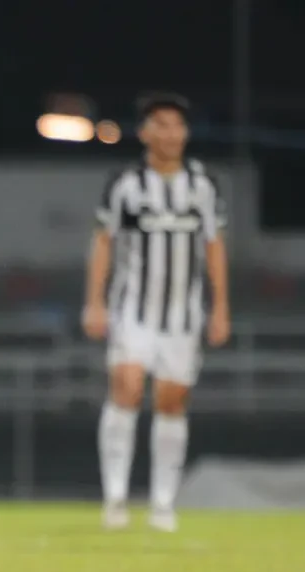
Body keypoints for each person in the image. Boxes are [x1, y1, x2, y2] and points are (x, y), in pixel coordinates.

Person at [82, 93, 231, 532]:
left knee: (171, 400)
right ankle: (115, 499)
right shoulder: (125, 184)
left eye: (177, 125)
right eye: (161, 124)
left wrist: (221, 307)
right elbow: (104, 242)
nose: (171, 133)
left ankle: (163, 503)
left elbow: (214, 247)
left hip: (183, 316)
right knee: (126, 387)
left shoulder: (203, 186)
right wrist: (95, 301)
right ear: (145, 132)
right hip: (132, 310)